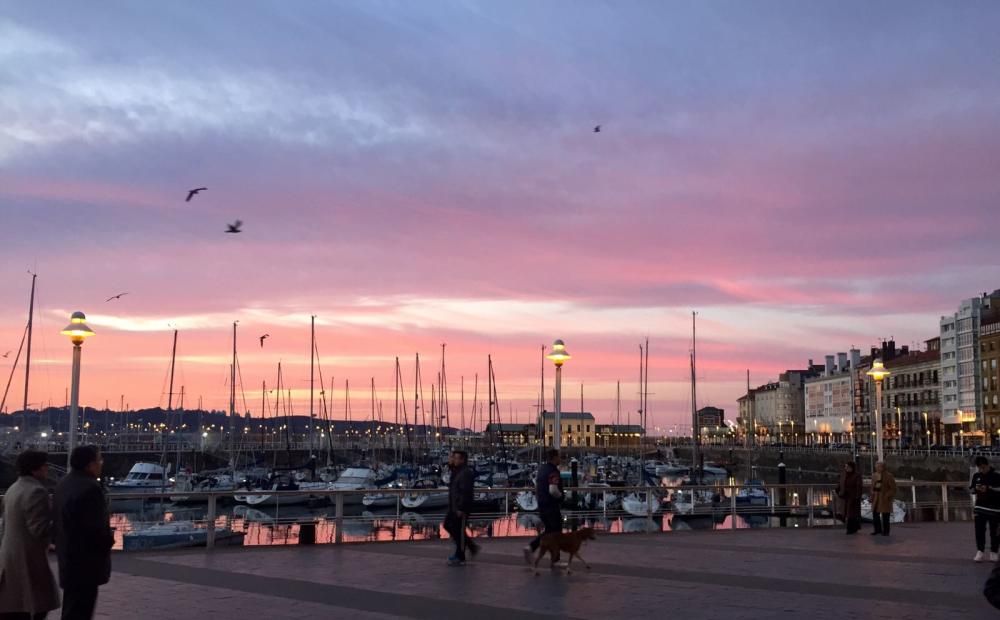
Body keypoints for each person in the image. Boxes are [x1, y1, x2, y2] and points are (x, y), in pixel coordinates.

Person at [53, 446, 113, 620]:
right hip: (86, 562)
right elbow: (95, 529)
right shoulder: (91, 489)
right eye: (99, 460)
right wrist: (108, 541)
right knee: (82, 609)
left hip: (68, 557)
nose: (101, 464)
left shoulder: (64, 484)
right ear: (90, 464)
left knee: (72, 607)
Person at [0, 450, 60, 620]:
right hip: (29, 559)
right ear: (36, 469)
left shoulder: (13, 488)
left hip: (9, 557)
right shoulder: (36, 491)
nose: (47, 469)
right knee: (36, 605)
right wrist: (59, 523)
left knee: (14, 606)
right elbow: (39, 529)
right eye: (45, 465)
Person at [523, 449, 563, 564]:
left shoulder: (541, 470)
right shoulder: (553, 471)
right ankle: (534, 548)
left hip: (542, 506)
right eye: (559, 457)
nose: (560, 459)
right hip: (551, 506)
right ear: (554, 457)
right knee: (555, 532)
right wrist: (561, 497)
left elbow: (538, 488)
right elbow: (553, 490)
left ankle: (553, 556)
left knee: (550, 531)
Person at [443, 450, 479, 566]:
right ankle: (471, 547)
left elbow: (466, 492)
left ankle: (461, 556)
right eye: (454, 458)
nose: (454, 460)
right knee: (449, 526)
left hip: (461, 508)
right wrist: (450, 463)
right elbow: (452, 473)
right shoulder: (458, 470)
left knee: (459, 531)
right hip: (454, 507)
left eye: (457, 458)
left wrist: (461, 508)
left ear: (463, 460)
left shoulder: (465, 473)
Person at [971, 455, 1000, 562]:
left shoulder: (996, 476)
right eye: (980, 468)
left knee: (995, 531)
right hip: (980, 507)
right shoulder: (976, 476)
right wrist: (975, 489)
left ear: (988, 465)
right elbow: (972, 489)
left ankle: (994, 551)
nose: (982, 470)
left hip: (995, 509)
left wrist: (989, 488)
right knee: (979, 530)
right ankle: (980, 551)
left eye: (983, 467)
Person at [870, 461, 897, 537]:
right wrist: (872, 494)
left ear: (883, 467)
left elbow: (893, 488)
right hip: (876, 498)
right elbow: (872, 486)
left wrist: (887, 495)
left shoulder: (889, 476)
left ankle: (886, 531)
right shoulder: (874, 475)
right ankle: (877, 530)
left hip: (884, 498)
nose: (877, 468)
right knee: (875, 515)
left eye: (879, 466)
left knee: (885, 516)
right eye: (876, 466)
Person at [837, 461, 862, 535]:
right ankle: (853, 527)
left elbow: (859, 486)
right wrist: (838, 490)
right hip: (845, 496)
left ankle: (850, 528)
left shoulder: (857, 475)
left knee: (851, 513)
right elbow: (840, 483)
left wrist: (857, 496)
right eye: (845, 467)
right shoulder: (844, 475)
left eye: (847, 467)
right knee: (846, 512)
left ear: (851, 467)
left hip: (853, 496)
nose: (846, 468)